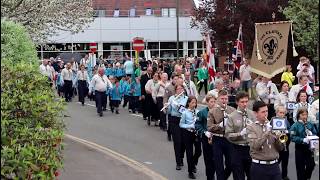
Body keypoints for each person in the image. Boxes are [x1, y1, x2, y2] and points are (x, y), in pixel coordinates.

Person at [247, 101, 284, 180]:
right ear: (255, 113)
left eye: (266, 111)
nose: (266, 114)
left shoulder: (272, 125)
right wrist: (267, 132)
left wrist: (280, 137)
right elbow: (255, 146)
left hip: (274, 166)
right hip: (259, 167)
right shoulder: (251, 128)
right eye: (263, 112)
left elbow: (281, 148)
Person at [225, 91, 255, 180]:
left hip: (250, 149)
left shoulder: (252, 114)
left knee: (252, 175)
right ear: (237, 102)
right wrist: (240, 133)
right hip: (237, 149)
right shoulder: (232, 116)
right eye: (242, 102)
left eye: (246, 101)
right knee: (238, 176)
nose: (245, 104)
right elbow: (228, 135)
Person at [207, 89, 236, 180]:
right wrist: (219, 125)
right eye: (222, 98)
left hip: (228, 139)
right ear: (218, 99)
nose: (224, 101)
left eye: (226, 99)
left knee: (231, 163)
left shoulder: (232, 110)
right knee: (218, 164)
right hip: (217, 139)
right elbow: (209, 127)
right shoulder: (212, 111)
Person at [290, 108, 317, 180]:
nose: (305, 116)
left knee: (311, 165)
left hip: (309, 148)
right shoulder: (295, 125)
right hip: (300, 148)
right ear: (299, 115)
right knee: (300, 168)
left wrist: (312, 134)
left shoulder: (310, 124)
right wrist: (302, 139)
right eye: (303, 115)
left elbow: (315, 133)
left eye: (306, 114)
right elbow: (292, 137)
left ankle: (306, 177)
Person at [166, 84, 188, 171]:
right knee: (177, 142)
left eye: (181, 88)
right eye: (178, 89)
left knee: (183, 142)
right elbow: (168, 112)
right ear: (175, 90)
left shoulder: (186, 99)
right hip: (174, 121)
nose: (179, 90)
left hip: (183, 120)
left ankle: (181, 157)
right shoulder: (171, 98)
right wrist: (167, 107)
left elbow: (184, 111)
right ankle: (178, 162)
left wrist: (177, 106)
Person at [179, 96, 202, 179]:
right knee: (189, 153)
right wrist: (190, 125)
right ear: (188, 103)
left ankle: (193, 163)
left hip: (196, 134)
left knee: (199, 151)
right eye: (192, 102)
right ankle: (190, 171)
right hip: (188, 133)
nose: (194, 104)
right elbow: (181, 124)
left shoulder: (198, 112)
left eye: (195, 103)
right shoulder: (185, 112)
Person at [195, 95, 216, 180]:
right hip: (206, 137)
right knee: (208, 159)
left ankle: (213, 174)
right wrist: (204, 132)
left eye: (214, 101)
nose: (213, 103)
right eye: (211, 102)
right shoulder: (202, 112)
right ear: (207, 102)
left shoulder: (218, 111)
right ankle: (210, 177)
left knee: (216, 159)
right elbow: (197, 124)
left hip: (216, 137)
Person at [269, 105, 291, 180]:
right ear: (276, 113)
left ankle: (284, 176)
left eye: (283, 113)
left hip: (285, 144)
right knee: (275, 162)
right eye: (280, 113)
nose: (282, 114)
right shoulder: (272, 120)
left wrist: (287, 131)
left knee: (285, 162)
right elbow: (269, 131)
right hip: (276, 146)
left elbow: (289, 129)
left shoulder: (285, 120)